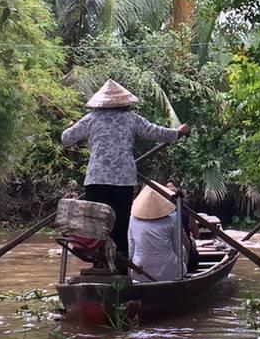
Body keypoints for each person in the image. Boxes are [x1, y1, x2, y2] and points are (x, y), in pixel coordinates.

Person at [61, 80, 188, 256]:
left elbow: (66, 138)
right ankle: (120, 264)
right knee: (120, 225)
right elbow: (156, 132)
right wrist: (179, 133)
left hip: (96, 178)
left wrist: (70, 126)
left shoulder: (90, 119)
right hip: (123, 179)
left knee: (96, 224)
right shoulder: (131, 119)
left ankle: (101, 263)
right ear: (125, 103)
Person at [127, 182, 189, 282]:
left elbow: (131, 251)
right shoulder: (173, 219)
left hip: (140, 272)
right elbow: (178, 250)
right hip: (170, 273)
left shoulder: (132, 219)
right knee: (183, 248)